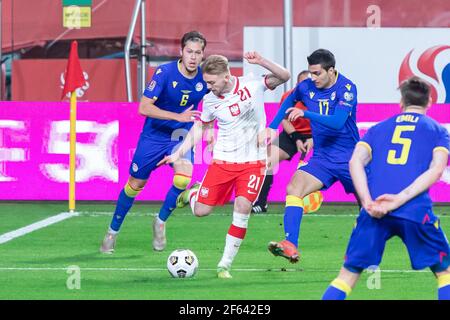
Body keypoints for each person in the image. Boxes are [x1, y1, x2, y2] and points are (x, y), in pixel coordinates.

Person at [158, 52, 290, 278]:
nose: (208, 86)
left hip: (252, 163)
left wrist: (261, 61)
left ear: (226, 77)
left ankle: (224, 265)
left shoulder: (252, 84)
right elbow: (201, 128)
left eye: (211, 82)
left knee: (243, 207)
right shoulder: (209, 100)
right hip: (222, 162)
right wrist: (178, 152)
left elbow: (285, 76)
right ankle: (192, 195)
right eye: (206, 82)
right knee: (201, 211)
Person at [322, 76, 450, 300]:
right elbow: (437, 170)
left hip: (374, 210)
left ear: (401, 102)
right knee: (445, 273)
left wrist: (367, 202)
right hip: (414, 211)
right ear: (430, 102)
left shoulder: (377, 129)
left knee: (347, 276)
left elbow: (354, 162)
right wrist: (399, 200)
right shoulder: (438, 131)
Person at [100, 31, 209, 254]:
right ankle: (113, 231)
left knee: (183, 177)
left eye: (198, 53)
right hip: (154, 135)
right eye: (189, 51)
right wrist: (177, 116)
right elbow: (144, 107)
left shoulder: (204, 79)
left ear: (203, 55)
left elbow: (213, 106)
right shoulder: (164, 72)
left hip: (181, 134)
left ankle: (160, 221)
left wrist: (208, 128)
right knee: (135, 186)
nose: (193, 57)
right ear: (181, 52)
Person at [267, 49, 360, 263]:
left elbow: (337, 123)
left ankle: (364, 249)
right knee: (294, 188)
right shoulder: (305, 87)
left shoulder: (347, 89)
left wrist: (305, 113)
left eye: (317, 73)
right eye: (311, 73)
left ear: (331, 71)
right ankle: (290, 243)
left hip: (350, 158)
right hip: (323, 158)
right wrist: (272, 128)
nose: (313, 78)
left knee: (369, 207)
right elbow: (287, 102)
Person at [251, 70, 323, 214]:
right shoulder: (289, 97)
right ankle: (261, 203)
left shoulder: (322, 98)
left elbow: (325, 123)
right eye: (303, 84)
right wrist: (296, 138)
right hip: (292, 134)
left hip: (318, 135)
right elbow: (284, 120)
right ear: (297, 85)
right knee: (267, 161)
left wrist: (313, 139)